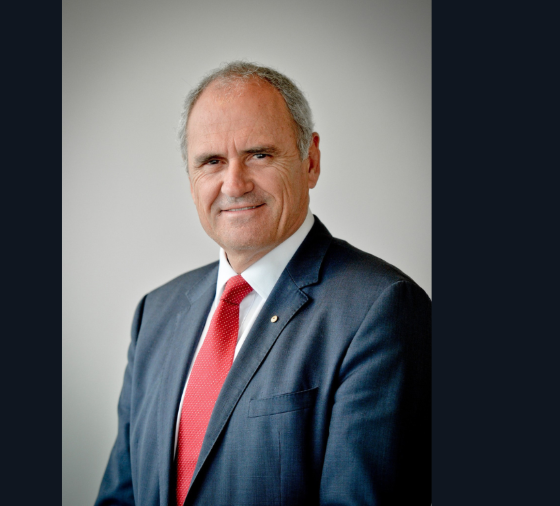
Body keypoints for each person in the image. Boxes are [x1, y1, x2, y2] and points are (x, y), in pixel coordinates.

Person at [94, 61, 431, 506]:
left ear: (309, 161)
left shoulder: (379, 309)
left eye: (259, 154)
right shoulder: (155, 314)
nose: (234, 184)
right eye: (211, 161)